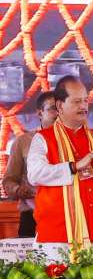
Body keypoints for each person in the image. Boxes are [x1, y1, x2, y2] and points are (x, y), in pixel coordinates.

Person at [26, 76, 93, 258]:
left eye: (85, 100)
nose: (83, 106)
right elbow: (35, 174)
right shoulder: (43, 138)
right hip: (58, 238)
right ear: (59, 105)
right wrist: (73, 167)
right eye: (77, 101)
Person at [2, 92, 58, 238]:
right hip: (31, 216)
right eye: (53, 108)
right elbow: (9, 180)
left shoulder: (75, 141)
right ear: (40, 113)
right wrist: (18, 190)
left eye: (61, 108)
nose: (58, 113)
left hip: (67, 217)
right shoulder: (23, 141)